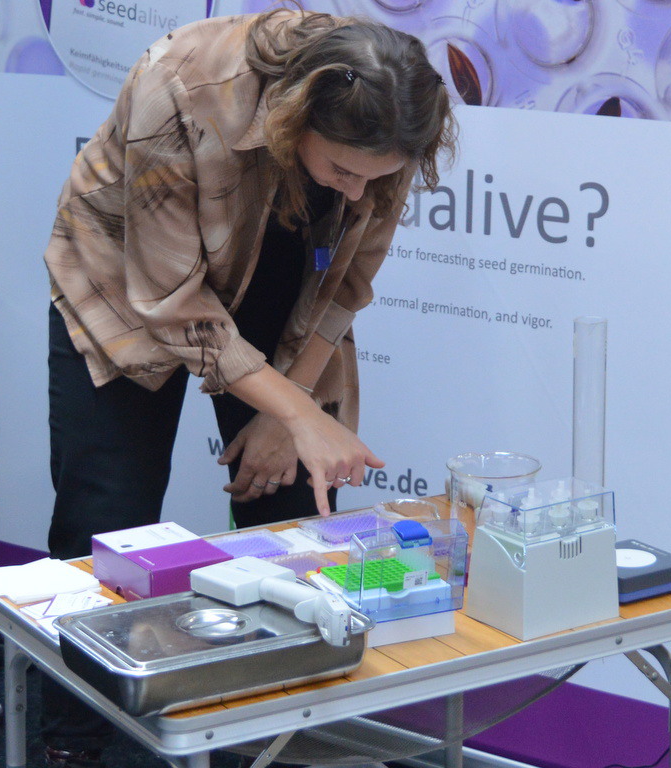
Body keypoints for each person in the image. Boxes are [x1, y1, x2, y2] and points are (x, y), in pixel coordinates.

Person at [40, 10, 455, 766]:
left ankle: (268, 737)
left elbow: (346, 284)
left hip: (279, 284)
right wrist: (301, 413)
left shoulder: (388, 127)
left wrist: (287, 413)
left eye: (376, 178)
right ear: (297, 118)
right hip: (126, 284)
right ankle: (73, 742)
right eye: (344, 171)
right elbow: (170, 300)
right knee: (108, 519)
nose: (360, 191)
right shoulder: (181, 85)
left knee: (294, 524)